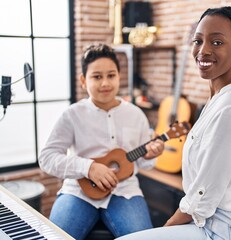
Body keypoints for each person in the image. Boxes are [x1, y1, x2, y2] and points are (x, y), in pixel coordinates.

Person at [117, 6, 231, 240]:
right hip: (215, 221)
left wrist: (168, 226)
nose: (203, 51)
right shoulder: (219, 100)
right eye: (198, 41)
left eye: (217, 42)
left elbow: (204, 193)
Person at [39, 43, 164, 240]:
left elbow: (143, 164)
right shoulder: (72, 115)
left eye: (111, 75)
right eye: (97, 77)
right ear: (83, 80)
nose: (105, 83)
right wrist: (88, 167)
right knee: (54, 237)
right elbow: (47, 157)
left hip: (125, 192)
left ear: (119, 76)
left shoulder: (136, 114)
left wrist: (150, 155)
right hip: (78, 192)